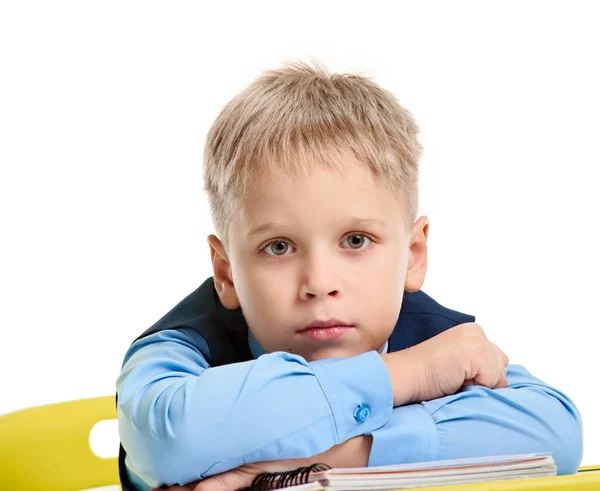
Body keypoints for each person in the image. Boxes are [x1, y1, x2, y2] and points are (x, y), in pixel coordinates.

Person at [116, 62, 583, 491]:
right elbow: (166, 441)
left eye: (356, 241)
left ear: (413, 253)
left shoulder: (435, 332)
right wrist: (404, 375)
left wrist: (326, 458)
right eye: (278, 247)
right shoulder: (182, 345)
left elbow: (555, 435)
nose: (319, 282)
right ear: (227, 272)